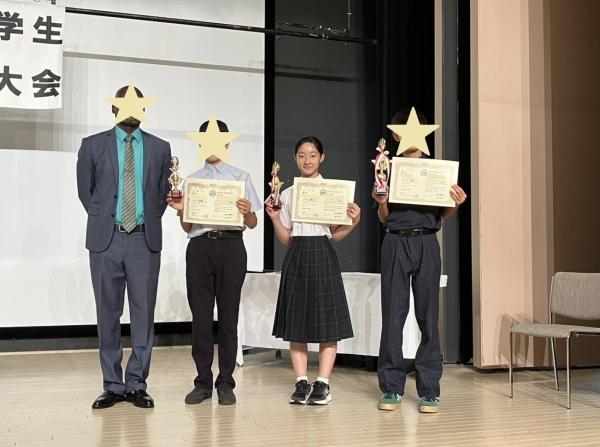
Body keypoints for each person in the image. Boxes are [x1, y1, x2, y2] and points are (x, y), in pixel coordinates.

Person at [76, 85, 172, 409]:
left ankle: (136, 384)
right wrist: (109, 219)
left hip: (144, 240)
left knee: (143, 315)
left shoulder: (160, 148)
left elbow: (161, 195)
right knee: (108, 314)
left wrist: (145, 220)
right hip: (106, 241)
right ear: (114, 108)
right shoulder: (92, 145)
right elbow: (86, 193)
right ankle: (112, 385)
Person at [373, 108, 467, 414]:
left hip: (426, 242)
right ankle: (391, 387)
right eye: (402, 129)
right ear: (395, 134)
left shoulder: (437, 171)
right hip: (395, 241)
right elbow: (383, 217)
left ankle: (429, 390)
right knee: (393, 316)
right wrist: (382, 201)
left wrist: (456, 203)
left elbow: (443, 214)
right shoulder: (387, 167)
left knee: (428, 316)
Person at [167, 120, 261, 406]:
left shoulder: (240, 176)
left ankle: (226, 382)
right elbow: (187, 227)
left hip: (232, 246)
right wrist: (181, 210)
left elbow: (253, 223)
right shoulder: (191, 180)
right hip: (200, 247)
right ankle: (203, 382)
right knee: (201, 318)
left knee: (229, 317)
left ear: (227, 143)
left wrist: (247, 212)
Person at [266, 136, 361, 405]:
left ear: (322, 158)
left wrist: (354, 222)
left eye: (312, 155)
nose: (306, 160)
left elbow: (335, 235)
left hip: (323, 252)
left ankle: (323, 383)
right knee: (297, 324)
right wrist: (274, 218)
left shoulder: (334, 191)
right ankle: (301, 381)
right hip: (297, 253)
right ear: (295, 159)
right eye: (301, 155)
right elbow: (286, 238)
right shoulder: (286, 194)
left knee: (327, 323)